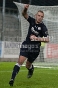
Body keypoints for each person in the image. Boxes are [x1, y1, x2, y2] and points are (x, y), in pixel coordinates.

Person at [9, 4, 49, 86]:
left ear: (43, 18)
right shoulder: (31, 20)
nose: (40, 17)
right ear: (36, 15)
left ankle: (31, 69)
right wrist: (25, 9)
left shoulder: (43, 27)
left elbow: (47, 39)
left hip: (35, 49)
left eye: (41, 16)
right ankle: (12, 79)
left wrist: (37, 38)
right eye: (38, 15)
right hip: (26, 45)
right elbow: (24, 14)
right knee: (20, 61)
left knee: (28, 65)